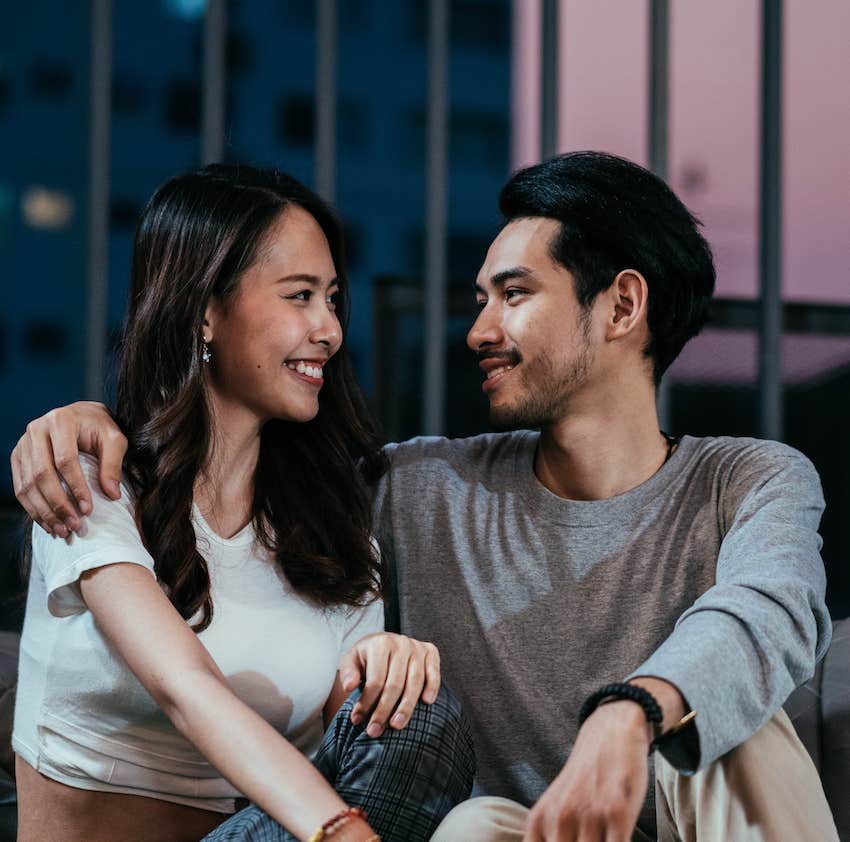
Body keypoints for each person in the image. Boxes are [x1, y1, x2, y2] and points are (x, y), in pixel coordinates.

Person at [12, 152, 838, 841]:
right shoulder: (412, 492)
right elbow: (201, 656)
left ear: (621, 305)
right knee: (473, 821)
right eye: (481, 299)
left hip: (680, 811)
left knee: (741, 736)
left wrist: (630, 715)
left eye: (513, 296)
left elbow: (771, 612)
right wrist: (79, 421)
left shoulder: (749, 479)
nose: (477, 330)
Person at [10, 164, 474, 842]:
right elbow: (185, 688)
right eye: (300, 296)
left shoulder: (330, 532)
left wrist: (381, 673)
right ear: (206, 309)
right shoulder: (96, 479)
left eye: (334, 299)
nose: (330, 330)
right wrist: (339, 831)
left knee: (420, 717)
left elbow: (352, 758)